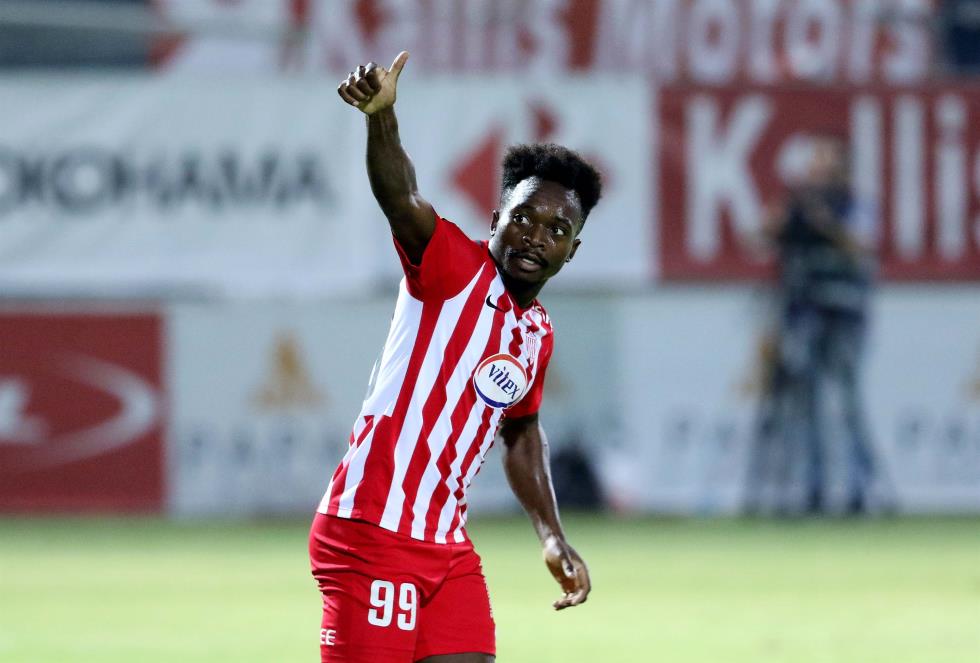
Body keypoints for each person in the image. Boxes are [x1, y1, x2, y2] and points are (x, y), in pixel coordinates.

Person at [309, 51, 599, 663]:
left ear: (572, 251)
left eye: (556, 230)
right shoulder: (453, 270)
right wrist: (381, 116)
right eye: (523, 218)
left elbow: (521, 432)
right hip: (375, 529)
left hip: (445, 543)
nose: (535, 237)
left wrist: (551, 535)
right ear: (496, 220)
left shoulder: (536, 332)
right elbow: (402, 197)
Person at [745, 134, 880, 515]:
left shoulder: (855, 205)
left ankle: (857, 490)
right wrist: (775, 224)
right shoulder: (797, 206)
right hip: (803, 312)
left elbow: (862, 247)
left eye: (827, 163)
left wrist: (826, 224)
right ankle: (811, 489)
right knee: (803, 403)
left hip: (844, 314)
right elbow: (757, 241)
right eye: (816, 163)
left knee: (844, 402)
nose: (819, 171)